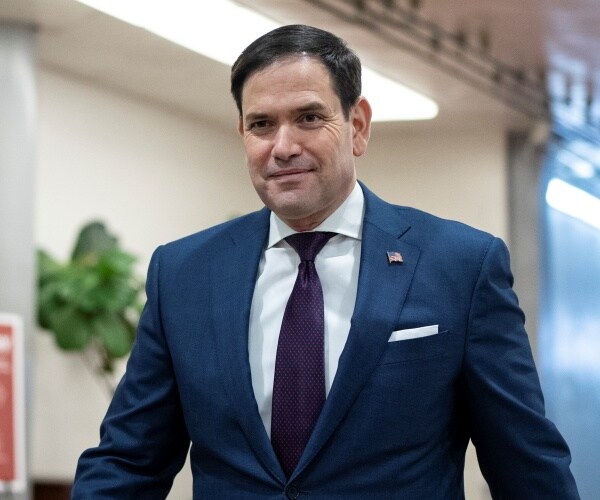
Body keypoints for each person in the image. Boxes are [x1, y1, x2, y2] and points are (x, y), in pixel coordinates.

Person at [72, 24, 579, 499]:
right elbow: (129, 461)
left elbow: (526, 465)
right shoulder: (184, 274)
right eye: (262, 124)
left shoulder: (460, 266)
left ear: (357, 125)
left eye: (309, 118)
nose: (283, 146)